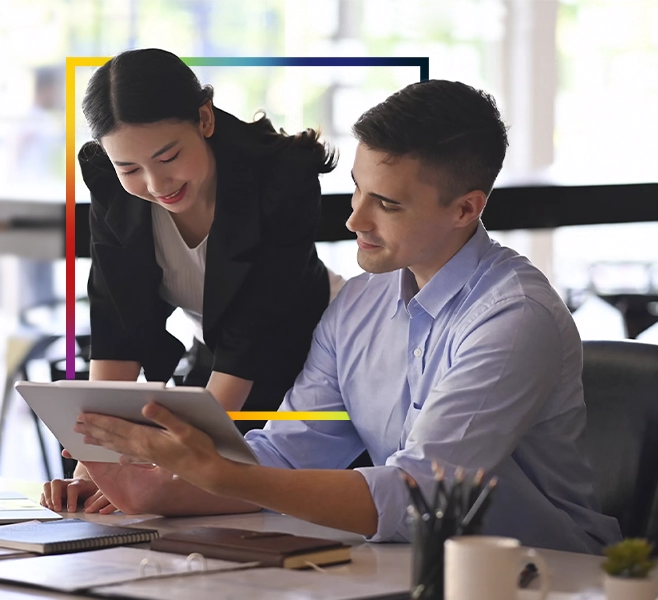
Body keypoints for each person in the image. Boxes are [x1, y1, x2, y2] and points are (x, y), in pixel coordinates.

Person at [57, 79, 623, 554]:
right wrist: (149, 489)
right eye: (356, 190)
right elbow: (286, 456)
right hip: (408, 566)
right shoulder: (359, 303)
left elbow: (419, 497)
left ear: (465, 209)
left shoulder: (513, 319)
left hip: (544, 575)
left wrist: (215, 472)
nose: (354, 221)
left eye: (388, 204)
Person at [42, 48, 344, 514]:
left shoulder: (282, 176)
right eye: (131, 168)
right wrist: (96, 467)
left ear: (204, 118)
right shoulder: (110, 184)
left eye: (169, 156)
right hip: (219, 347)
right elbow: (117, 324)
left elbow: (251, 338)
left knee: (244, 493)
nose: (157, 183)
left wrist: (156, 476)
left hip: (312, 349)